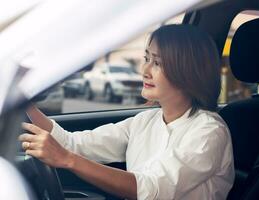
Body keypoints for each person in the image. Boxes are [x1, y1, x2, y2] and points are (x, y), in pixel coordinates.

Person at [19, 24, 235, 200]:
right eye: (147, 58)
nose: (145, 71)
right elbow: (72, 144)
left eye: (157, 63)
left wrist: (66, 159)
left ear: (187, 72)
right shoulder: (144, 121)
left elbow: (150, 190)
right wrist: (21, 100)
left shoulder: (209, 131)